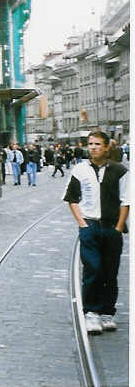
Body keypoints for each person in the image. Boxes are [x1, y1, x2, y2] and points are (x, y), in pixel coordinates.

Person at [64, 131, 129, 335]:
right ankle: (91, 312)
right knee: (93, 269)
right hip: (90, 226)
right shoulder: (80, 169)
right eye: (90, 143)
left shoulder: (120, 170)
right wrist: (82, 223)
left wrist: (119, 227)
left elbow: (126, 201)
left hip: (111, 227)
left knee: (110, 272)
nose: (93, 147)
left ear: (107, 147)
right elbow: (72, 198)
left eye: (98, 144)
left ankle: (107, 312)